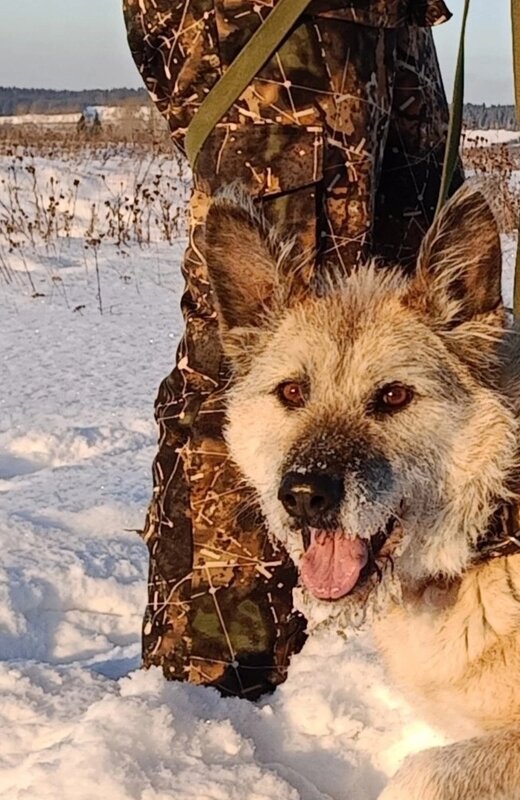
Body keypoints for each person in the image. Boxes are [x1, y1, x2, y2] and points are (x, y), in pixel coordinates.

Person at [122, 0, 461, 697]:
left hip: (397, 23)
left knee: (425, 350)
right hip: (278, 23)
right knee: (259, 364)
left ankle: (381, 673)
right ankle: (218, 684)